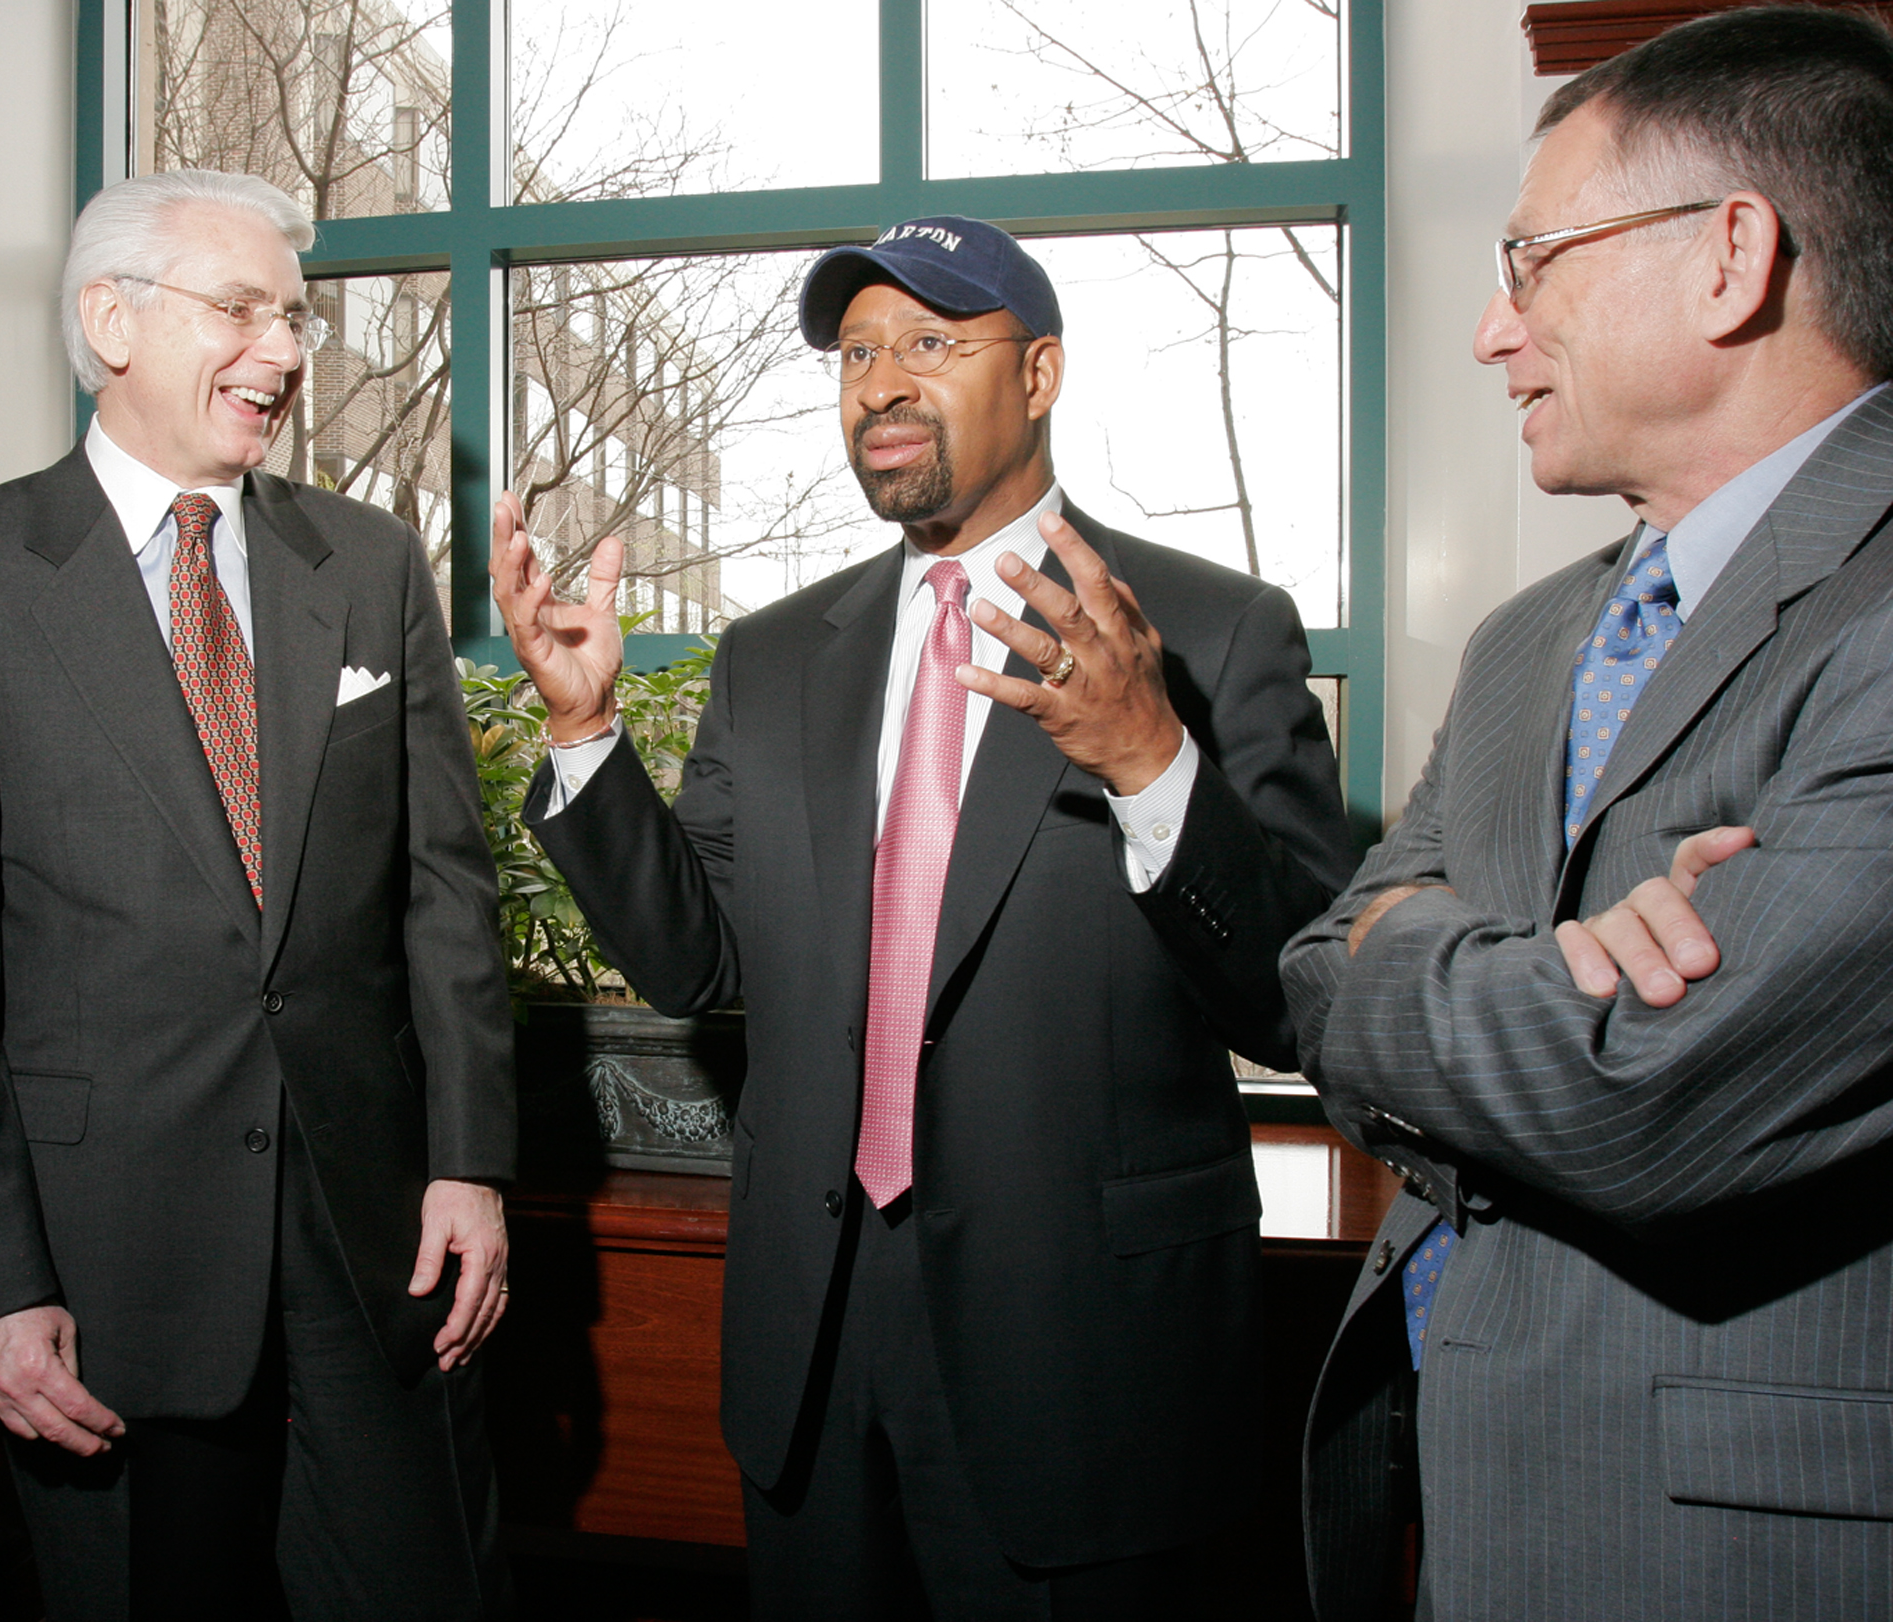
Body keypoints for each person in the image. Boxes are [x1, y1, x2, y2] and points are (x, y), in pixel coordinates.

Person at [494, 214, 1355, 1617]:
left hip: (1084, 1354)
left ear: (1039, 374)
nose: (879, 382)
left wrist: (1148, 755)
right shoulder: (773, 656)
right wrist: (584, 731)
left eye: (931, 344)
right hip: (814, 1344)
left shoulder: (1208, 629)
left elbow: (1299, 996)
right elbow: (687, 954)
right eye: (855, 354)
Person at [1282, 10, 1893, 1617]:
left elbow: (1641, 1092)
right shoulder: (1532, 636)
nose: (1493, 331)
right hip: (1462, 1489)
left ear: (1730, 257)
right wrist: (1538, 965)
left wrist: (1421, 944)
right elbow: (1311, 970)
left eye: (1531, 258)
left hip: (1740, 1548)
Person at [0, 168, 515, 1621]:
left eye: (293, 317)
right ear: (111, 320)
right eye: (238, 309)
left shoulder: (372, 563)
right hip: (105, 1253)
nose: (280, 352)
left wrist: (469, 1159)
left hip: (369, 1227)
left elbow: (441, 891)